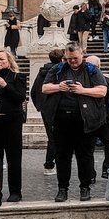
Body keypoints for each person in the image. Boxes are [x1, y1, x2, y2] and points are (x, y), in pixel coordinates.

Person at [41, 40, 108, 203]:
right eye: (69, 58)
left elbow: (103, 91)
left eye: (75, 58)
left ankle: (85, 187)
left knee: (84, 155)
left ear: (82, 55)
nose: (72, 61)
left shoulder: (91, 69)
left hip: (84, 120)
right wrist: (59, 87)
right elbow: (44, 88)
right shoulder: (58, 69)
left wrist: (82, 90)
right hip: (61, 119)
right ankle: (62, 188)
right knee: (62, 156)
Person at [0, 48, 26, 202]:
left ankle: (15, 191)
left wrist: (6, 85)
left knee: (14, 157)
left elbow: (20, 97)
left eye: (2, 59)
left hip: (12, 121)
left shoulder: (18, 76)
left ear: (9, 60)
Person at [31, 46, 64, 176]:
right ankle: (50, 164)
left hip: (45, 108)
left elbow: (34, 91)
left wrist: (40, 106)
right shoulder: (59, 72)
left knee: (52, 136)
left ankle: (51, 163)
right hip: (57, 107)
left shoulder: (42, 72)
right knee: (56, 137)